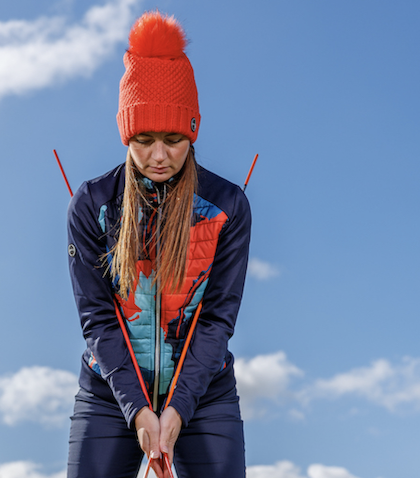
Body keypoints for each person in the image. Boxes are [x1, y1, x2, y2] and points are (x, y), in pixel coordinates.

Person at [66, 11, 251, 478]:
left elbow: (215, 320)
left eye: (173, 139)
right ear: (127, 133)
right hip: (110, 394)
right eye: (144, 139)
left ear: (191, 131)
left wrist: (176, 410)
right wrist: (139, 411)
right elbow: (99, 319)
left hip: (205, 393)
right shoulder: (92, 204)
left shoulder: (229, 205)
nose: (159, 155)